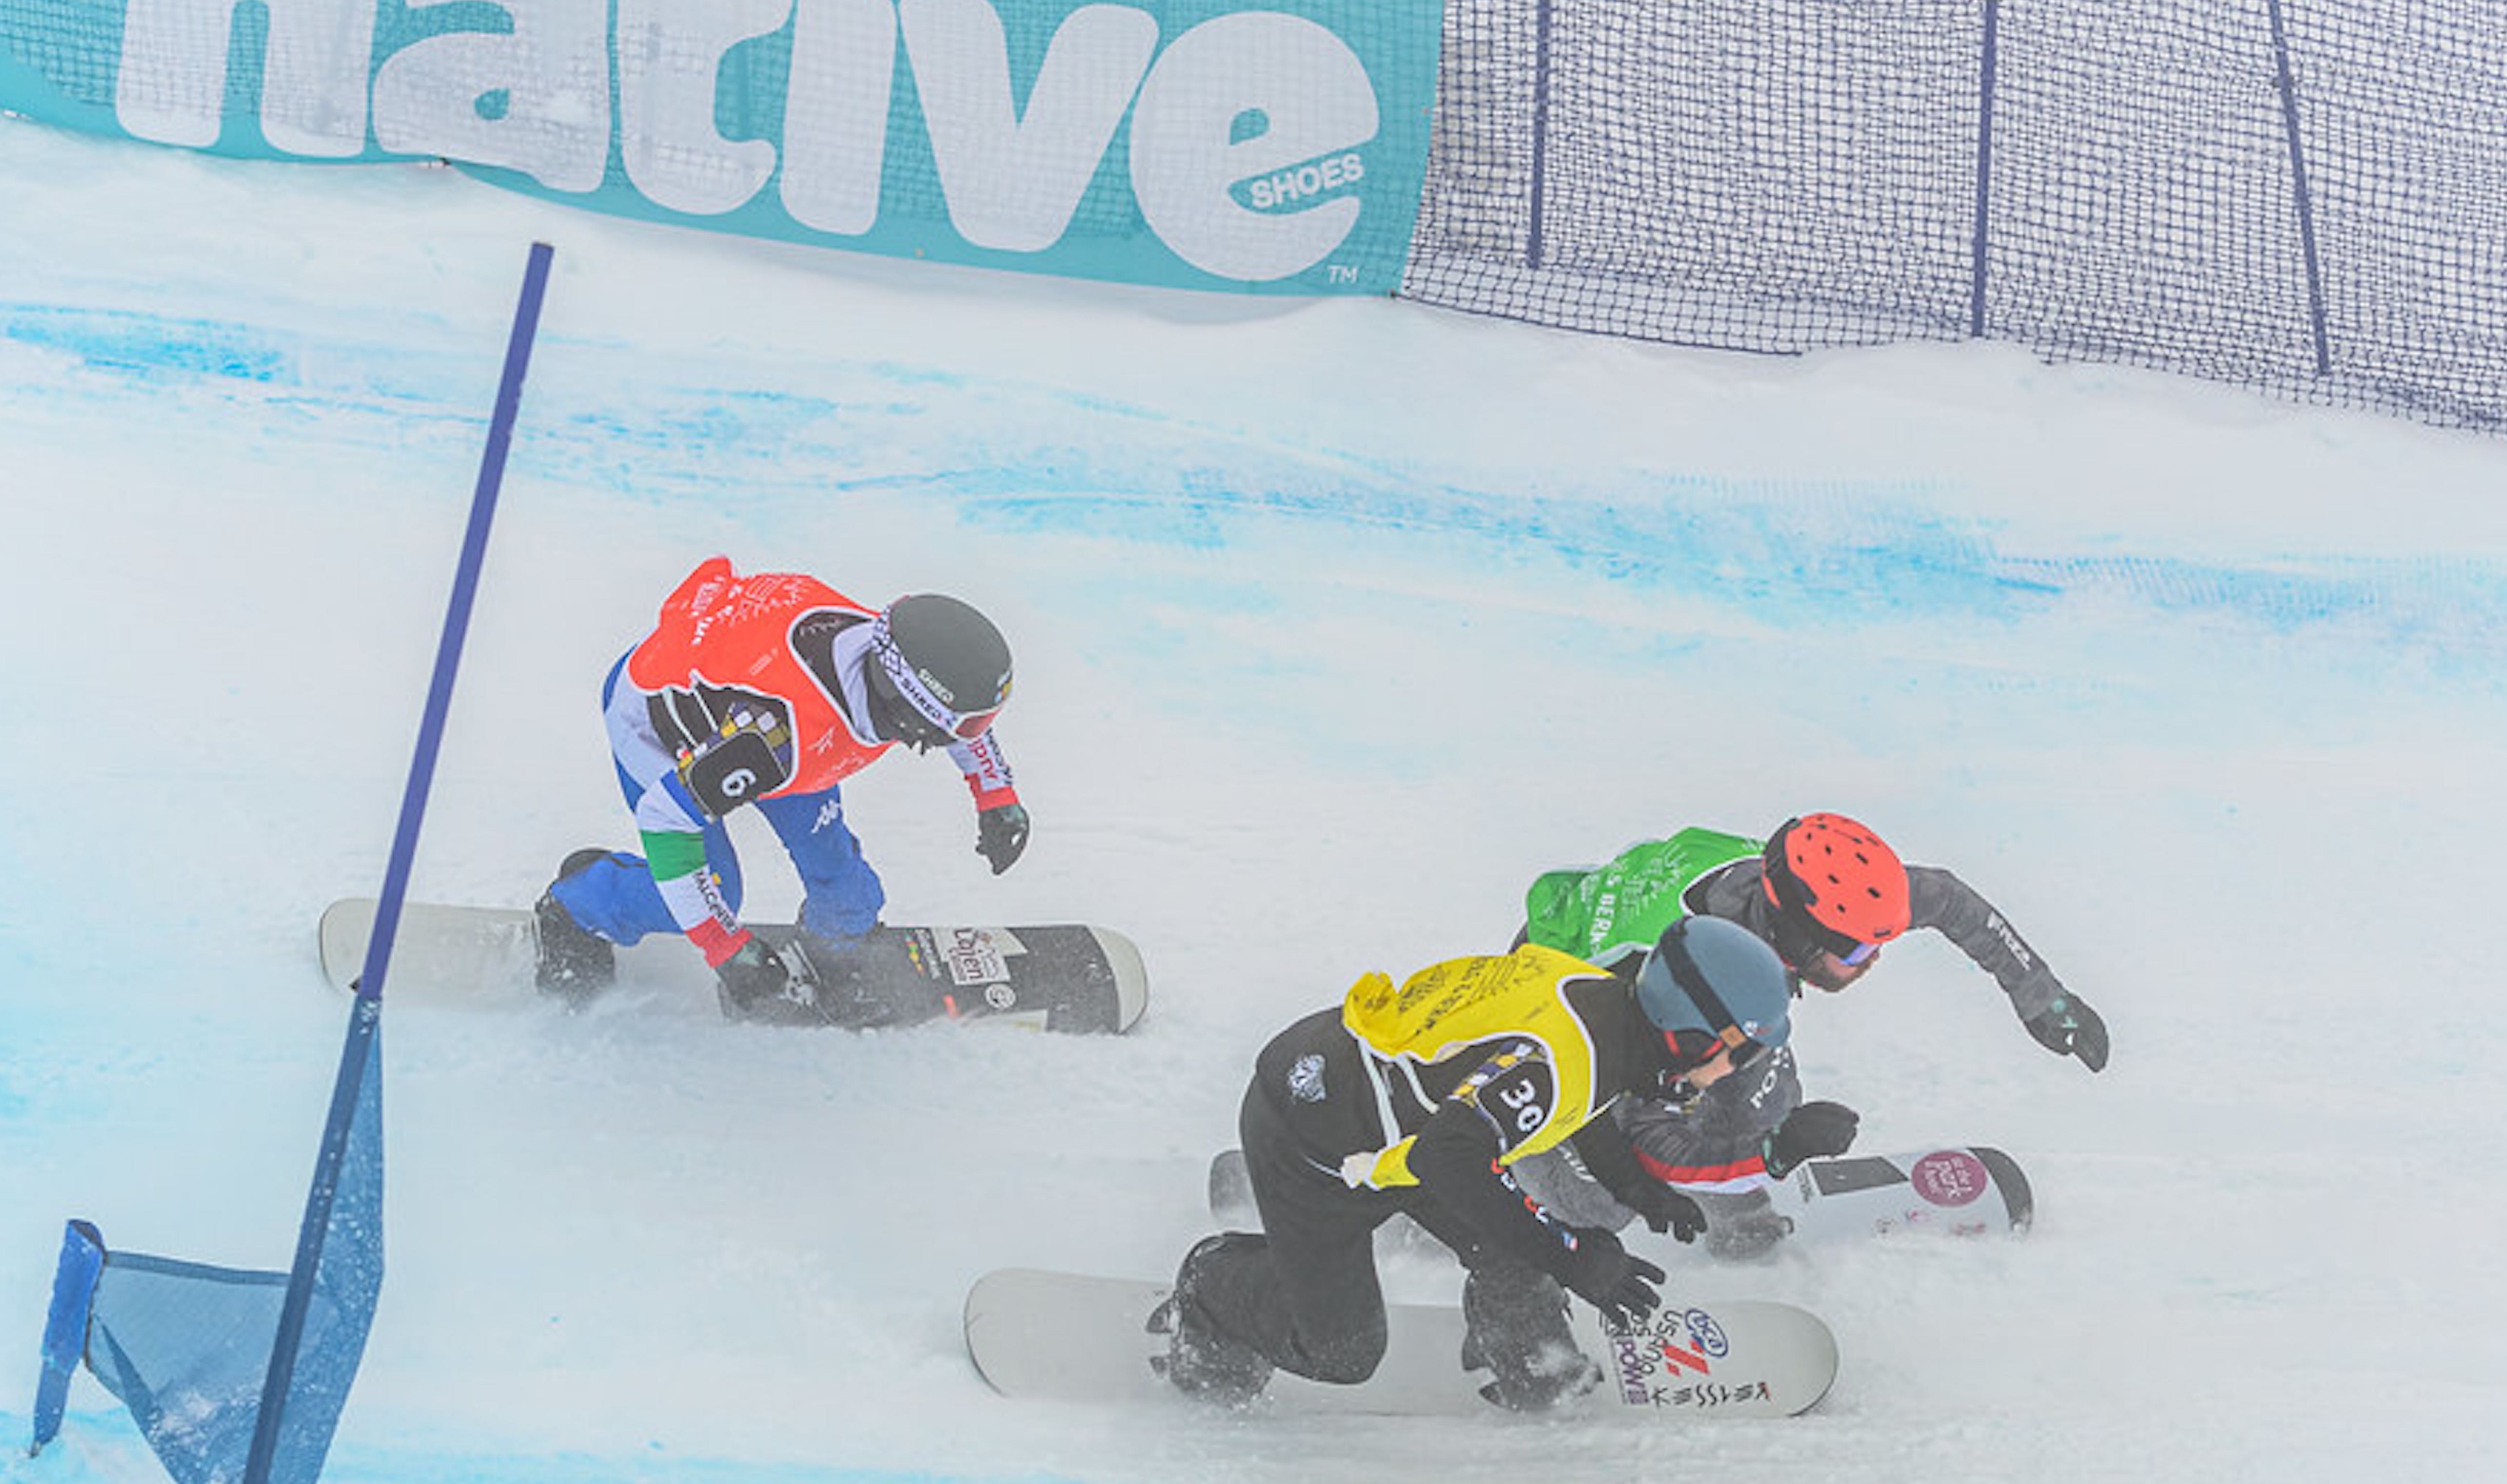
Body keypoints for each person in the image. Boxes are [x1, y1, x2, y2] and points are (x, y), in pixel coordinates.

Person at [1152, 914, 1795, 1411]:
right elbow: (1452, 1158)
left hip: (1397, 1127)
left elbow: (1579, 1102)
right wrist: (1576, 1260)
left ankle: (1527, 1361)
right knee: (1343, 1352)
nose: (1732, 1075)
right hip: (1312, 1139)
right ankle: (1211, 1293)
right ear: (1689, 1034)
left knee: (1515, 1244)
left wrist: (1634, 1183)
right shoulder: (1566, 1055)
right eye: (1736, 1055)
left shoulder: (1609, 1011)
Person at [1513, 813, 2107, 1256]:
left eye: (1881, 940)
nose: (1873, 959)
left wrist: (2044, 998)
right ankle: (1497, 1211)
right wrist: (1768, 1158)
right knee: (1600, 1199)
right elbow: (1649, 1141)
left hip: (1691, 984)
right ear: (1794, 936)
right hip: (1558, 1018)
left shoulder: (1800, 886)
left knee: (1761, 1083)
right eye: (1857, 947)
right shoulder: (1659, 977)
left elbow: (1950, 902)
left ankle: (1733, 1191)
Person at [532, 555, 1029, 1017]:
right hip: (658, 727)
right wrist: (723, 946)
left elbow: (952, 711)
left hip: (762, 714)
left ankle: (831, 953)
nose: (970, 737)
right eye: (961, 729)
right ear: (909, 712)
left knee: (845, 889)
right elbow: (666, 817)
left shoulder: (883, 647)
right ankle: (579, 906)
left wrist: (996, 795)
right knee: (717, 889)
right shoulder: (778, 736)